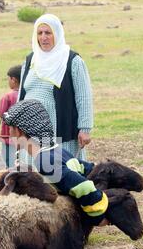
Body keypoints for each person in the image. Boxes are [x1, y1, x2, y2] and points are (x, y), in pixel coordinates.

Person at [3, 99, 108, 226]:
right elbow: (88, 169)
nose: (8, 133)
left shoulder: (44, 161)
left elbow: (84, 187)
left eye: (10, 129)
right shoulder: (57, 151)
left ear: (19, 131)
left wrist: (97, 217)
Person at [18, 13, 93, 160]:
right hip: (31, 130)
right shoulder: (30, 60)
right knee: (33, 178)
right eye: (40, 33)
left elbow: (83, 97)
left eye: (48, 33)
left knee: (60, 175)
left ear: (57, 34)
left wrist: (85, 129)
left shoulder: (73, 61)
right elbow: (21, 93)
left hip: (59, 130)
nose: (43, 37)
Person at [0, 65, 21, 167]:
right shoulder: (27, 94)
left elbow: (1, 113)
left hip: (7, 135)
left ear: (13, 79)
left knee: (8, 162)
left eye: (8, 79)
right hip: (21, 136)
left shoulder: (8, 97)